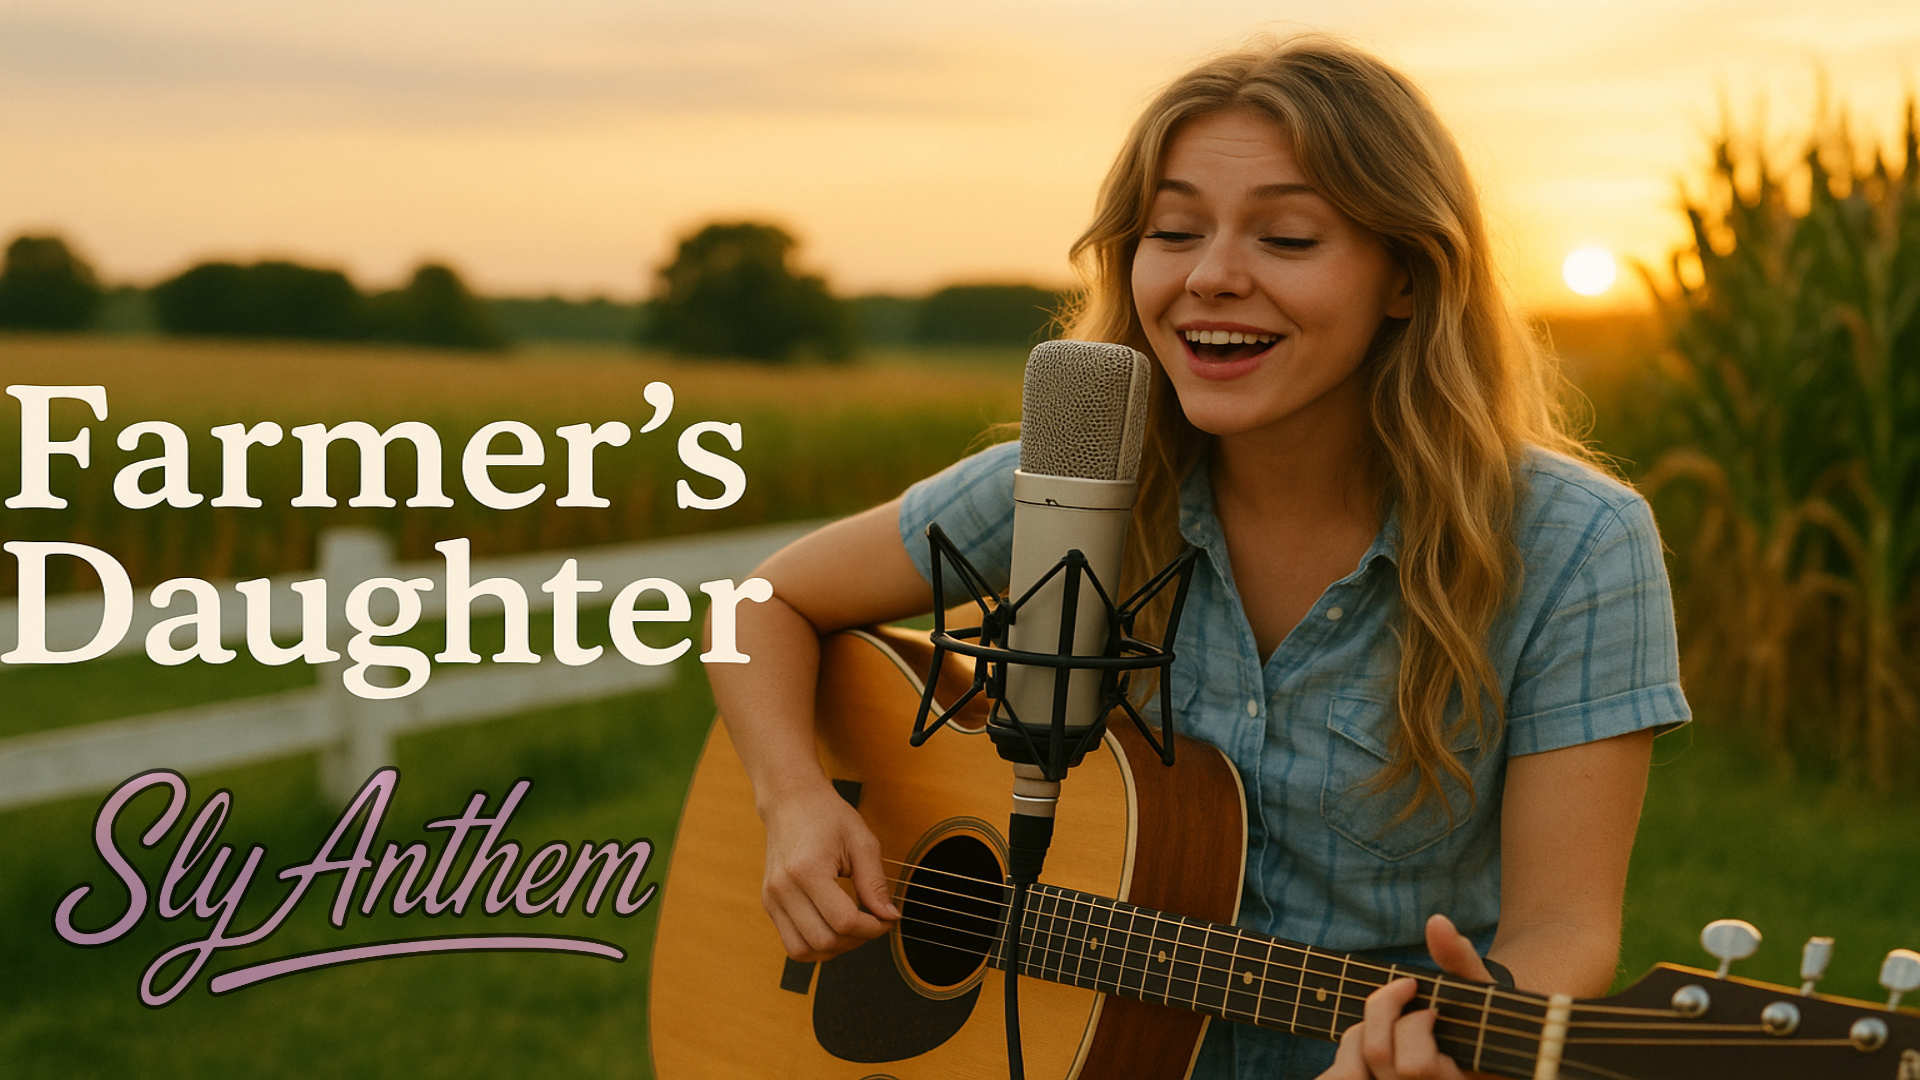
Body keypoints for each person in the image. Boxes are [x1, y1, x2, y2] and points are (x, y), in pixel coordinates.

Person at [703, 32, 1689, 1080]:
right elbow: (754, 606)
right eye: (1173, 230)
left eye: (1290, 239)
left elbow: (1564, 933)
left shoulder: (1575, 543)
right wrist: (798, 803)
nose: (1212, 277)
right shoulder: (1080, 472)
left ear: (1405, 277)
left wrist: (1456, 1040)